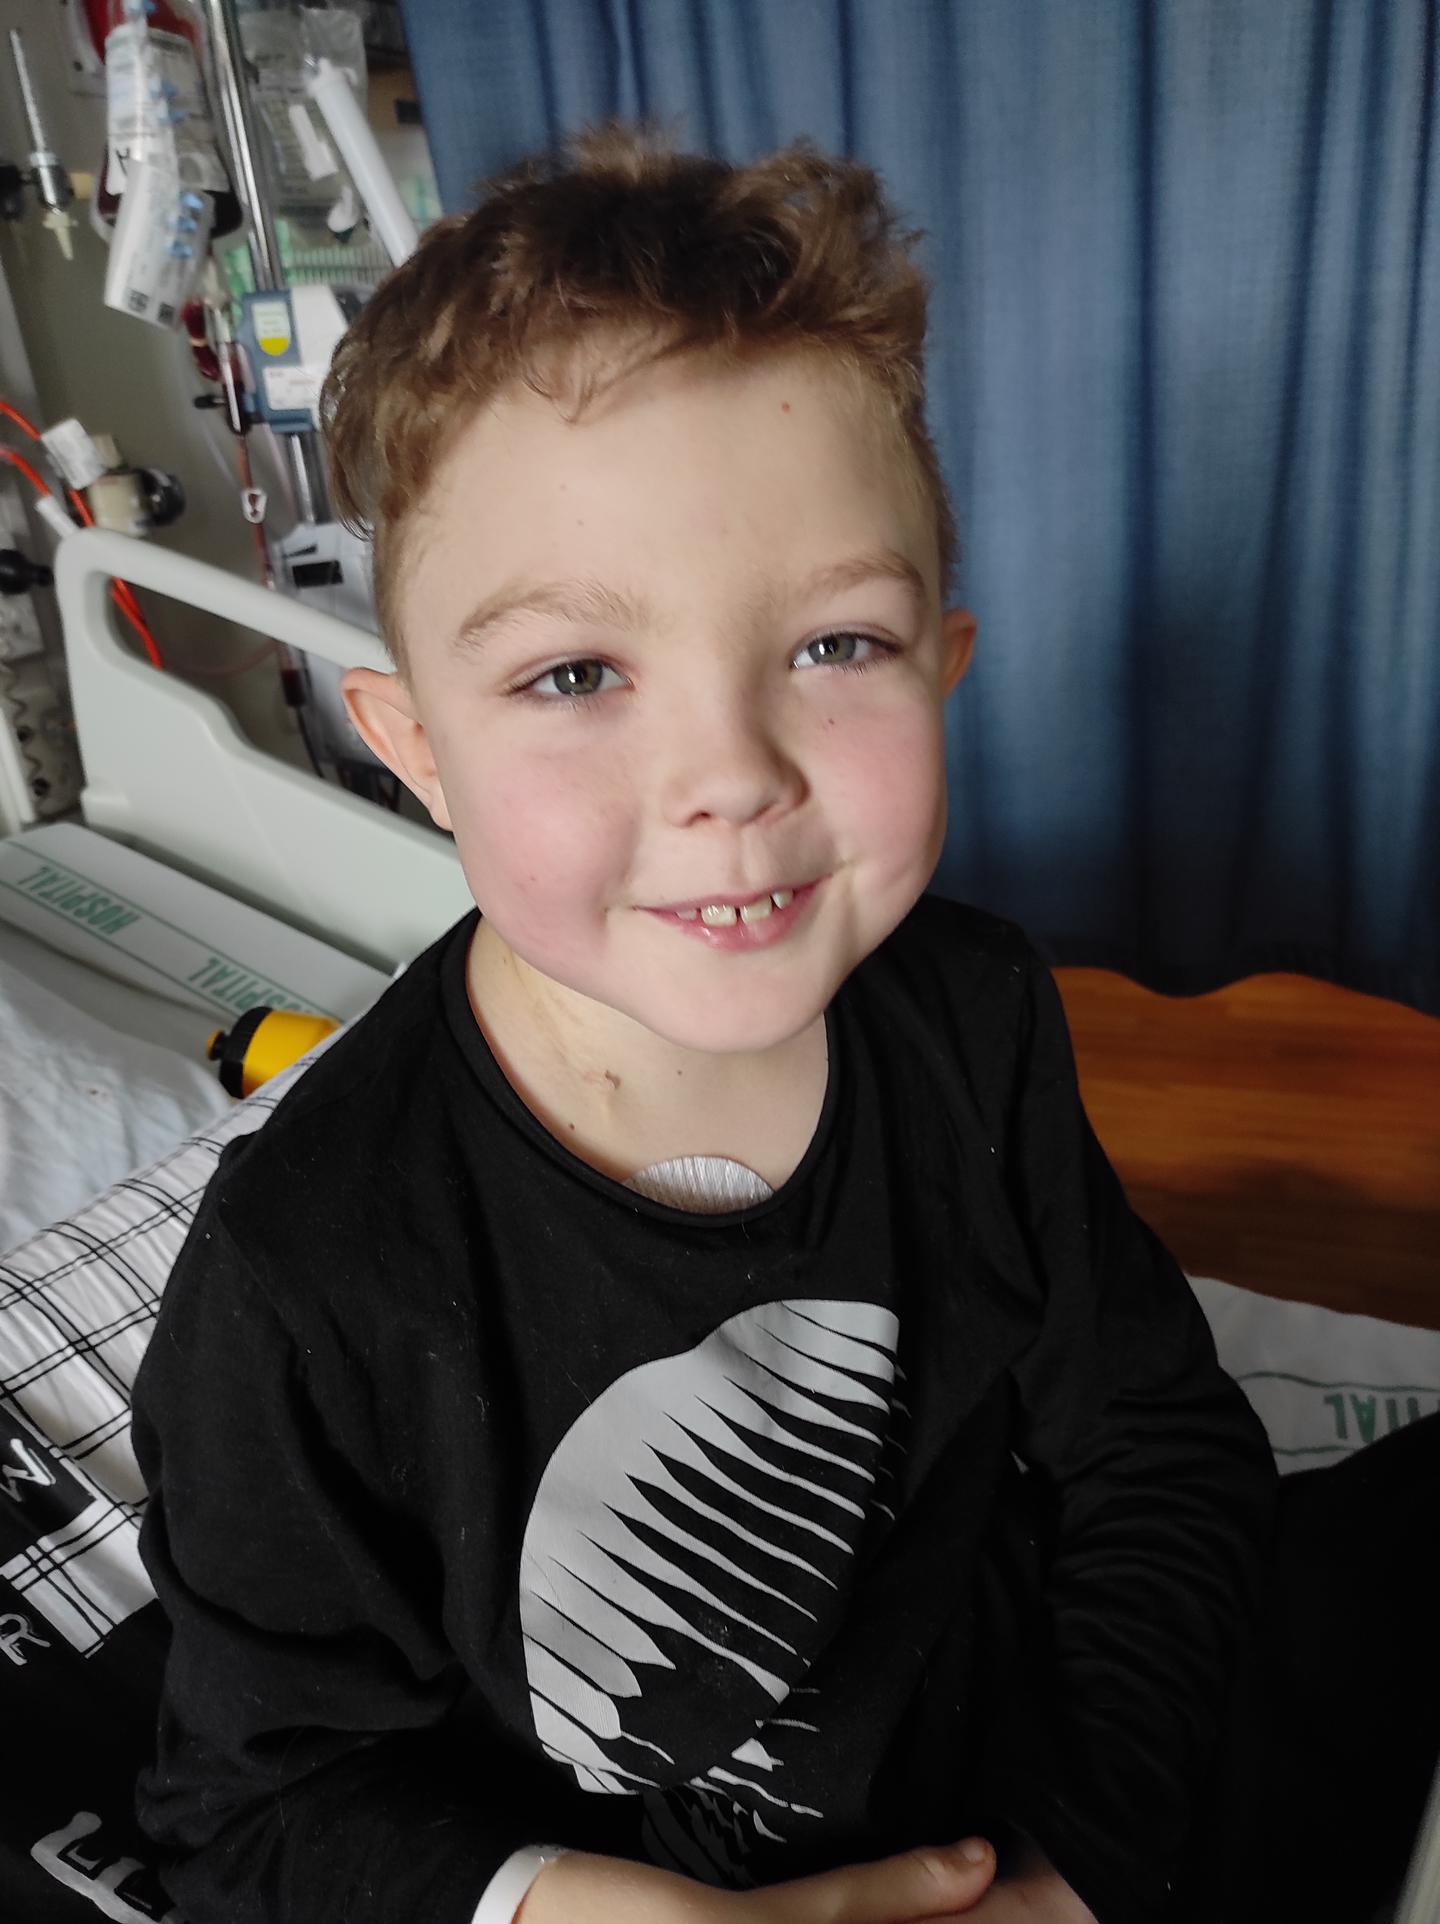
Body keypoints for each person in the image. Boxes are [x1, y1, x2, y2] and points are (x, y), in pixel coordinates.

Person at [128, 120, 1432, 1924]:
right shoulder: (309, 1272)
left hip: (1037, 1780)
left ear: (944, 666)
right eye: (576, 673)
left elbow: (1155, 1447)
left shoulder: (971, 1019)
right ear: (416, 747)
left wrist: (1070, 1874)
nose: (731, 775)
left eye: (834, 647)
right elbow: (258, 1813)